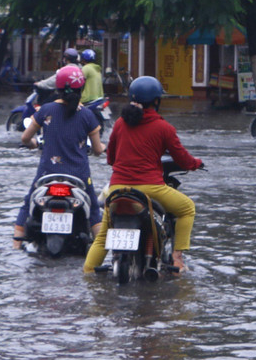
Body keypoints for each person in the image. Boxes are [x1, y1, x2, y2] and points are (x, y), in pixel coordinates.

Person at [84, 75, 204, 274]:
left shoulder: (121, 124)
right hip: (151, 189)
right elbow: (183, 159)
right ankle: (177, 259)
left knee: (103, 236)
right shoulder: (164, 127)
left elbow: (111, 159)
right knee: (187, 208)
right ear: (156, 101)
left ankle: (87, 272)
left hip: (116, 189)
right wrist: (197, 164)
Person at [12, 65, 104, 250]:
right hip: (78, 174)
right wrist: (101, 148)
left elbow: (25, 138)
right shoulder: (87, 115)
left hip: (48, 172)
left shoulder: (46, 110)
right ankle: (101, 252)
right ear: (81, 89)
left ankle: (15, 245)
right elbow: (97, 149)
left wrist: (33, 145)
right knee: (94, 208)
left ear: (58, 89)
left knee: (28, 201)